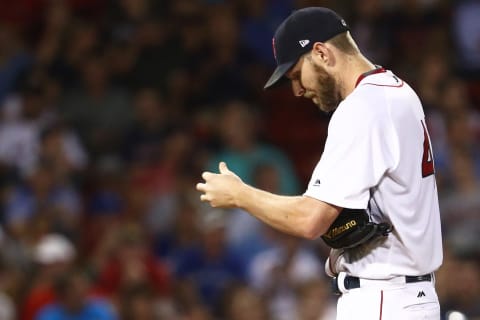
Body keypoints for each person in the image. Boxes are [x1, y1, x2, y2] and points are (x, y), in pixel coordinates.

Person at [196, 7, 443, 320]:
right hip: (407, 296)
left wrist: (239, 195)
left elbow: (310, 220)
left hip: (384, 298)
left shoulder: (363, 108)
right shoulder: (397, 91)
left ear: (322, 53)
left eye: (297, 75)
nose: (297, 90)